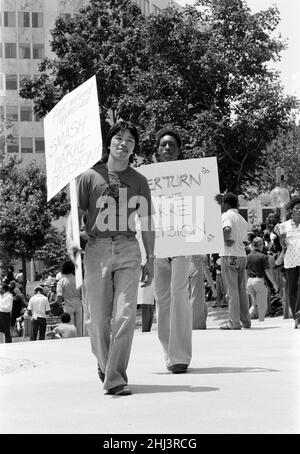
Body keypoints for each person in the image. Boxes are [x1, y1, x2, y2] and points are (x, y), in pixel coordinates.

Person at [67, 120, 155, 396]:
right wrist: (71, 239)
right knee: (96, 320)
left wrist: (150, 257)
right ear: (109, 142)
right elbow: (74, 213)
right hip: (97, 250)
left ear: (134, 148)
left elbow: (148, 221)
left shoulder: (139, 181)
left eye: (130, 140)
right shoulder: (89, 176)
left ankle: (115, 377)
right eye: (119, 138)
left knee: (126, 315)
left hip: (129, 249)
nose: (124, 143)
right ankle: (105, 365)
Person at [152, 128, 192, 373]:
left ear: (179, 150)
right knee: (162, 300)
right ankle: (168, 353)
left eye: (172, 145)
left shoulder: (191, 176)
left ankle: (180, 357)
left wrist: (214, 200)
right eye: (163, 144)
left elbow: (202, 203)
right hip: (156, 245)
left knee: (179, 297)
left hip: (181, 244)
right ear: (157, 149)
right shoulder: (146, 178)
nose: (167, 148)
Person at [219, 192, 251, 330]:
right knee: (241, 290)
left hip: (229, 254)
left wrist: (223, 240)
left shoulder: (226, 215)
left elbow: (227, 228)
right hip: (241, 255)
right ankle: (246, 320)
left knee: (232, 291)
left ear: (226, 204)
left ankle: (233, 322)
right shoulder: (242, 219)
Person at [274, 197, 300, 328]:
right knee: (291, 290)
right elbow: (283, 246)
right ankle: (296, 317)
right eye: (296, 208)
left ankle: (298, 313)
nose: (299, 210)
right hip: (290, 260)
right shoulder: (284, 226)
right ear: (291, 210)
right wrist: (282, 240)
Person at [246, 237, 279, 321]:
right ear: (261, 245)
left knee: (254, 303)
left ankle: (246, 319)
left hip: (249, 281)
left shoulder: (248, 256)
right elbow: (267, 271)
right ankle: (260, 322)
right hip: (259, 281)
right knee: (262, 306)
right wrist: (274, 283)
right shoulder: (263, 256)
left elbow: (245, 270)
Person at [189, 255, 217, 329]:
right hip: (195, 261)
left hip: (185, 262)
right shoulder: (200, 255)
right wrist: (213, 288)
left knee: (192, 297)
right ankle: (197, 325)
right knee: (196, 298)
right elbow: (206, 271)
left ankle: (192, 324)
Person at [56, 261, 83, 336]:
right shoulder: (78, 280)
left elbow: (59, 296)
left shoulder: (61, 281)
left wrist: (60, 305)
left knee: (69, 327)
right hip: (78, 305)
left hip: (68, 305)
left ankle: (71, 342)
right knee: (79, 327)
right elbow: (83, 293)